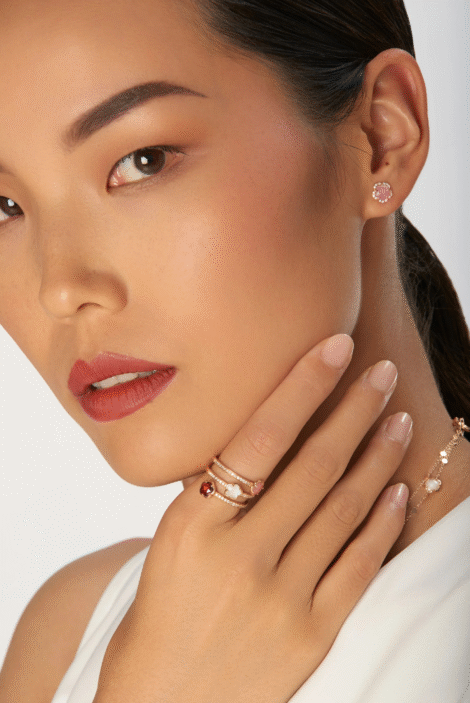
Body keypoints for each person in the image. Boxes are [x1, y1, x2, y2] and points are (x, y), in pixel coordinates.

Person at [0, 0, 469, 701]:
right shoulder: (69, 627)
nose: (60, 288)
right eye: (4, 208)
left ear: (381, 138)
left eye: (142, 161)